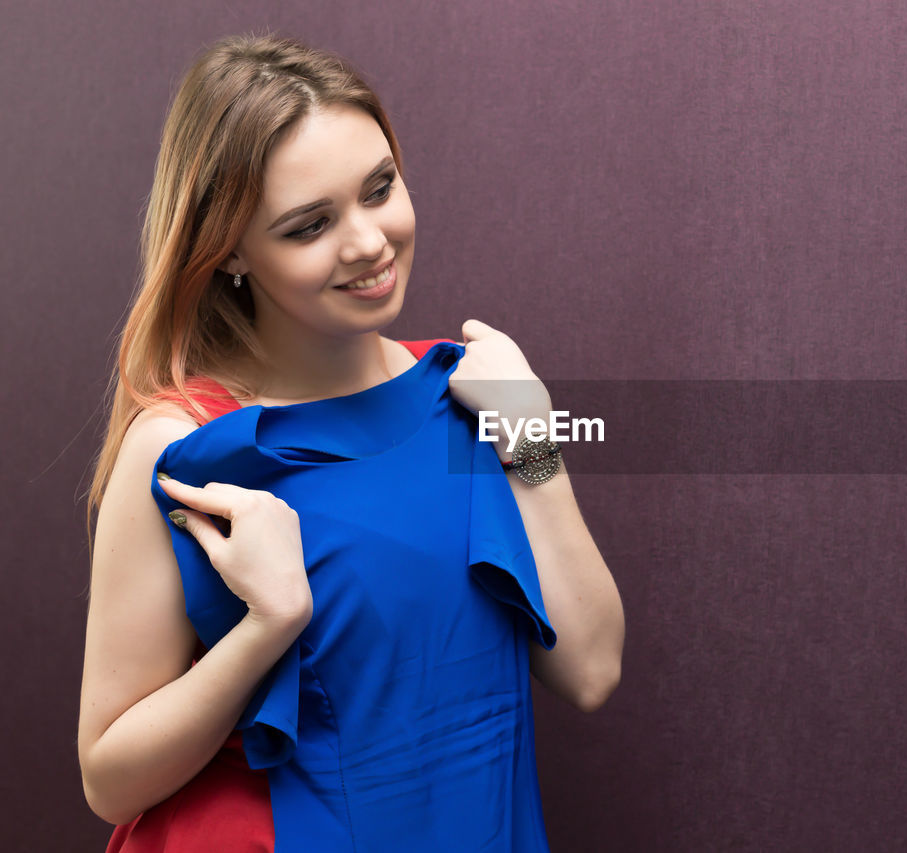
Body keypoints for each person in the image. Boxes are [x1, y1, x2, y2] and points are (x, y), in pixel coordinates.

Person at [78, 32, 625, 851]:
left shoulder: (468, 393)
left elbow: (591, 670)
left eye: (380, 188)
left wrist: (531, 440)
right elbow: (108, 778)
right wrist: (269, 625)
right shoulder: (184, 443)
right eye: (309, 225)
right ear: (230, 250)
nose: (368, 242)